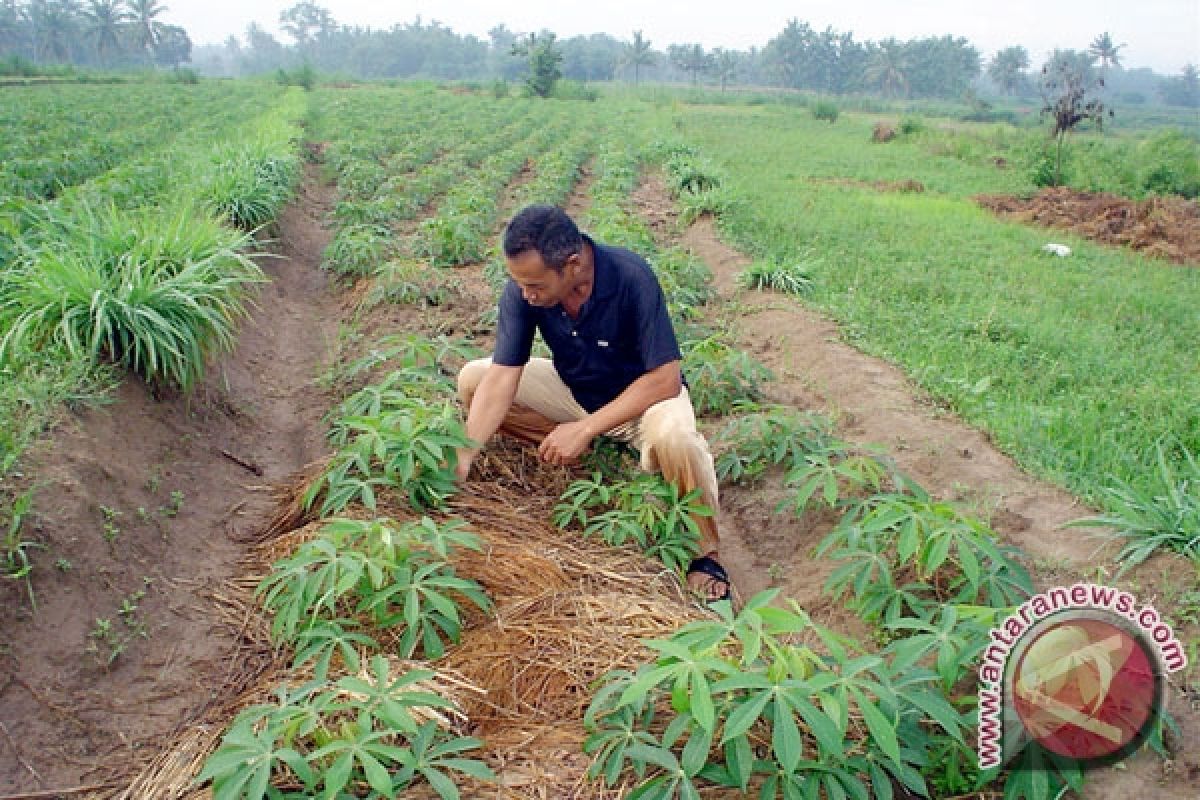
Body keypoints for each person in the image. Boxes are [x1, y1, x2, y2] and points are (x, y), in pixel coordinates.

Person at [454, 205, 731, 602]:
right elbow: (502, 377)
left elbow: (665, 379)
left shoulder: (630, 276)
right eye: (520, 284)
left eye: (535, 285)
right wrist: (464, 453)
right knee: (474, 380)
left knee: (678, 441)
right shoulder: (525, 291)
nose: (526, 294)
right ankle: (586, 456)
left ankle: (705, 555)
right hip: (575, 392)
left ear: (572, 265)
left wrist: (584, 429)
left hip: (641, 402)